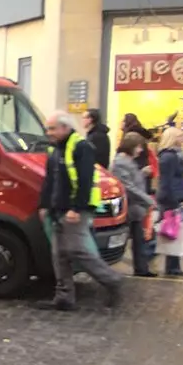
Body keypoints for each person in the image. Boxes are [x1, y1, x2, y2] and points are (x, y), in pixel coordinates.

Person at [37, 112, 124, 310]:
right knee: (59, 254)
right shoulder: (55, 149)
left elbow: (85, 180)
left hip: (75, 211)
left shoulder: (81, 147)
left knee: (79, 250)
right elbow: (50, 180)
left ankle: (111, 280)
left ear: (65, 128)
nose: (48, 132)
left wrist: (77, 208)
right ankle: (64, 297)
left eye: (52, 128)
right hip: (58, 209)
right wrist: (44, 205)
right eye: (48, 128)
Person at [111, 135, 155, 278]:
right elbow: (128, 186)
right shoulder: (121, 162)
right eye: (138, 146)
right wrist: (147, 199)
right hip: (130, 208)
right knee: (134, 239)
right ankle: (141, 268)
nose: (140, 150)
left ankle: (142, 268)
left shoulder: (128, 162)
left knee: (139, 239)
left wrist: (142, 173)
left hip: (134, 207)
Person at [155, 126, 183, 278]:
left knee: (173, 232)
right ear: (173, 138)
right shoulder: (168, 157)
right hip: (170, 200)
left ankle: (173, 265)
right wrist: (172, 202)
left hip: (173, 198)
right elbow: (167, 181)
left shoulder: (175, 156)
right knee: (171, 231)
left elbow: (179, 180)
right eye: (180, 136)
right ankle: (172, 266)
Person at [123, 113, 158, 191]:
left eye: (123, 121)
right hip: (144, 161)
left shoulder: (130, 132)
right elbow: (150, 135)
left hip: (136, 160)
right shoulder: (141, 130)